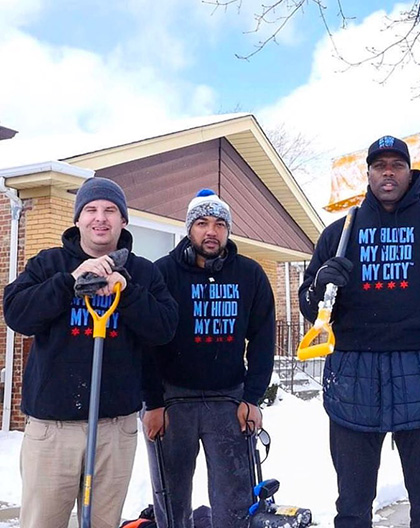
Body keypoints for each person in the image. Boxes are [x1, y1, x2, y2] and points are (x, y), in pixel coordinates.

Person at [299, 135, 420, 528]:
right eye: (379, 165)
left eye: (396, 165)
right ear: (367, 173)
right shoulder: (340, 234)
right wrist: (320, 285)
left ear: (409, 171)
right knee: (351, 507)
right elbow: (310, 309)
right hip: (353, 380)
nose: (387, 172)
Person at [3, 177, 178, 528]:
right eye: (91, 210)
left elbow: (164, 328)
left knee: (102, 522)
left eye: (111, 210)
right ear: (78, 219)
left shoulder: (143, 271)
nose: (101, 218)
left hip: (115, 428)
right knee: (42, 522)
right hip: (54, 430)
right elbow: (17, 313)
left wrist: (126, 292)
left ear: (123, 220)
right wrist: (70, 280)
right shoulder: (49, 263)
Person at [141, 189, 276, 528]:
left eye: (219, 224)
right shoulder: (163, 273)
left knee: (235, 502)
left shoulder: (250, 275)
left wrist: (252, 398)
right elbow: (146, 342)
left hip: (228, 401)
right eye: (201, 223)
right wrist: (153, 403)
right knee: (171, 501)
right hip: (172, 401)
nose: (211, 231)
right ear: (189, 229)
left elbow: (262, 339)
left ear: (228, 230)